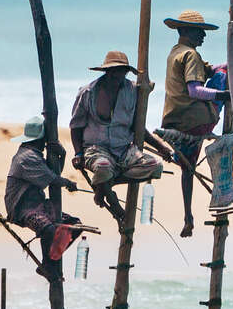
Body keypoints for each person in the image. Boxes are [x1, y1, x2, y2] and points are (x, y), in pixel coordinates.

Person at [69, 51, 168, 215]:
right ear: (107, 72)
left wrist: (161, 148)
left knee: (155, 167)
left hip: (123, 149)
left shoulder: (132, 91)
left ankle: (107, 184)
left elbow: (138, 126)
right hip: (96, 148)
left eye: (122, 71)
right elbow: (76, 126)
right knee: (103, 167)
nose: (118, 75)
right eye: (114, 71)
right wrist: (78, 153)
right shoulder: (88, 92)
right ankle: (110, 194)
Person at [160, 10, 229, 237]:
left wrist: (229, 63)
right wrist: (224, 96)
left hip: (174, 120)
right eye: (200, 32)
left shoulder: (175, 52)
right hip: (194, 120)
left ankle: (188, 216)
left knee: (187, 169)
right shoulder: (191, 55)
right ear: (186, 31)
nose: (203, 37)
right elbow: (195, 90)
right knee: (222, 78)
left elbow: (209, 69)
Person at [4, 115, 81, 277]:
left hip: (38, 204)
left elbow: (52, 174)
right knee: (48, 230)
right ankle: (48, 264)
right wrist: (68, 183)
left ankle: (52, 259)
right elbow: (52, 179)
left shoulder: (34, 154)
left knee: (75, 225)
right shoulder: (27, 157)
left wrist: (63, 156)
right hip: (22, 207)